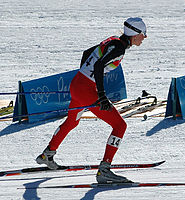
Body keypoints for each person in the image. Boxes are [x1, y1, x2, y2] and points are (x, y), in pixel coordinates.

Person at [36, 17, 147, 183]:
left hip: (78, 84)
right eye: (143, 34)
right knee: (120, 125)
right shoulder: (119, 48)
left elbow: (87, 54)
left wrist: (86, 78)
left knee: (72, 122)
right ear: (135, 34)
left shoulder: (113, 40)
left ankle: (47, 154)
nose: (145, 37)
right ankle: (104, 170)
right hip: (86, 90)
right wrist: (101, 94)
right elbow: (99, 66)